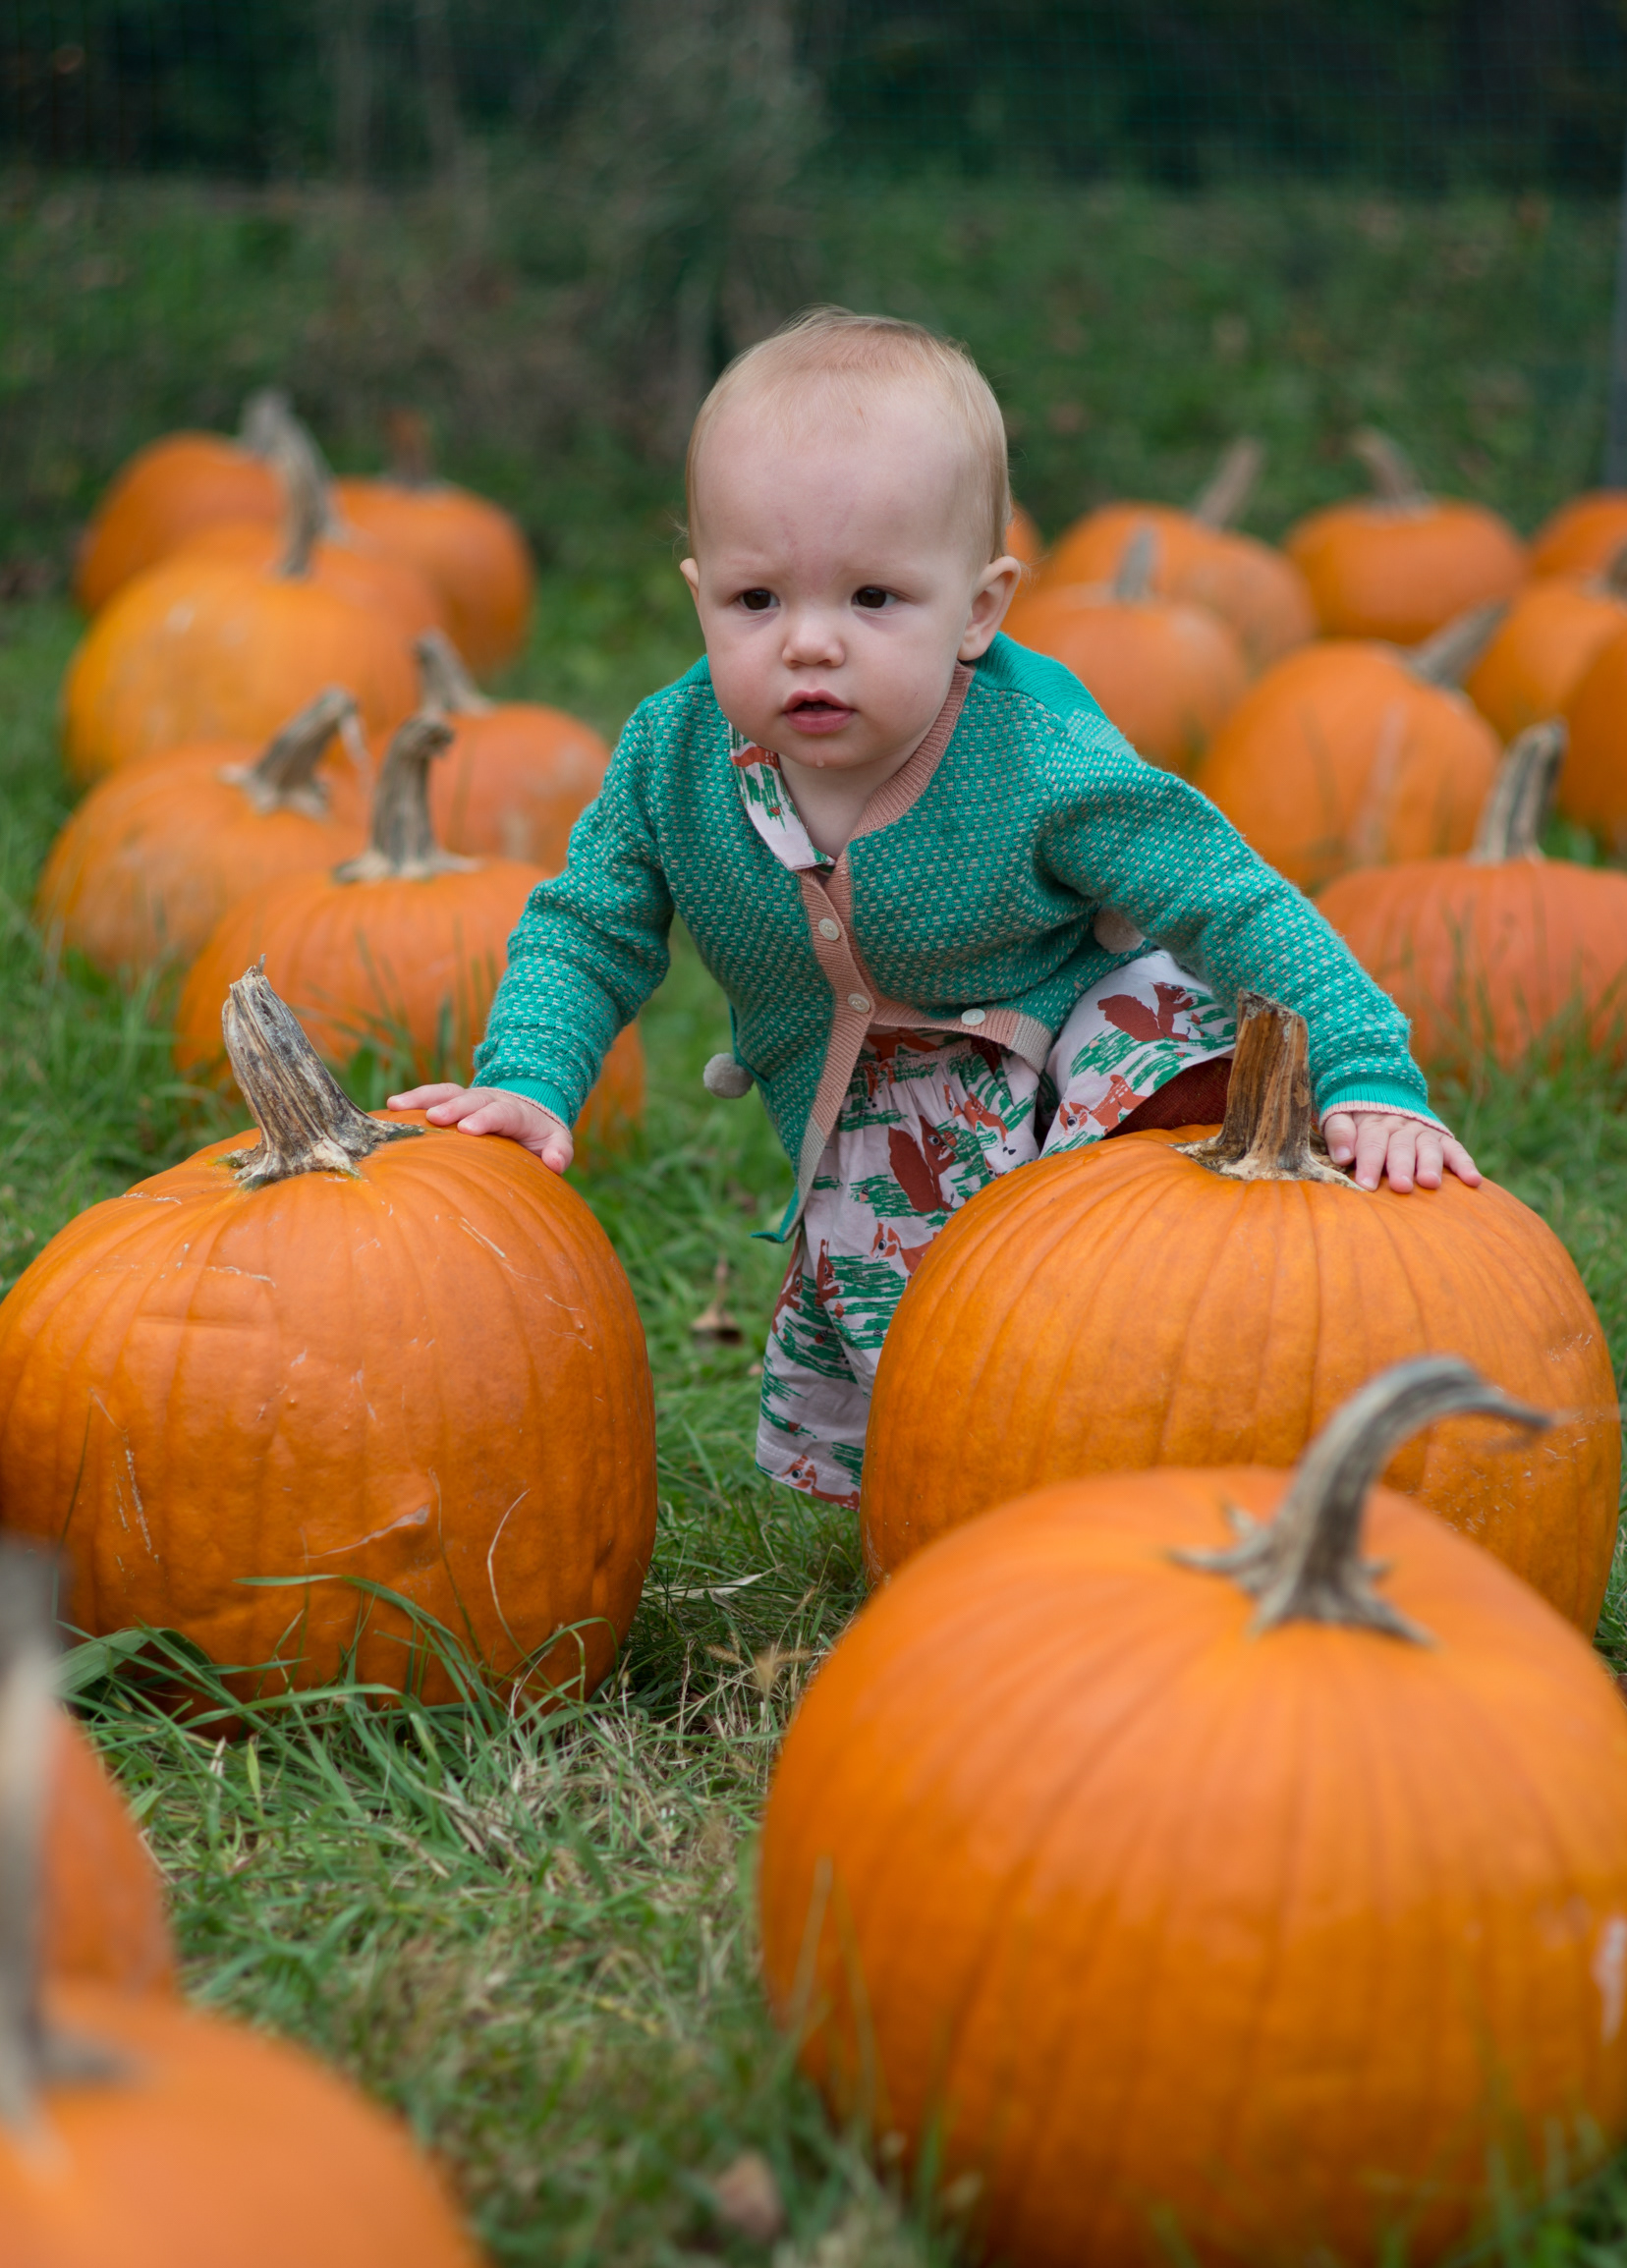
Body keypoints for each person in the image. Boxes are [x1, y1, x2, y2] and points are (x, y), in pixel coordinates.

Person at [389, 306, 1479, 1510]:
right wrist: (530, 1077)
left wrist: (1366, 1069)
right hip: (888, 1098)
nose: (810, 643)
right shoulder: (671, 758)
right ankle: (1005, 1496)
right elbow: (587, 928)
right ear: (700, 594)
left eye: (872, 597)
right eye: (756, 600)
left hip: (1077, 1016)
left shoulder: (1040, 758)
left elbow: (1230, 901)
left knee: (1164, 1090)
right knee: (947, 1360)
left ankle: (1223, 1360)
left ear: (978, 608)